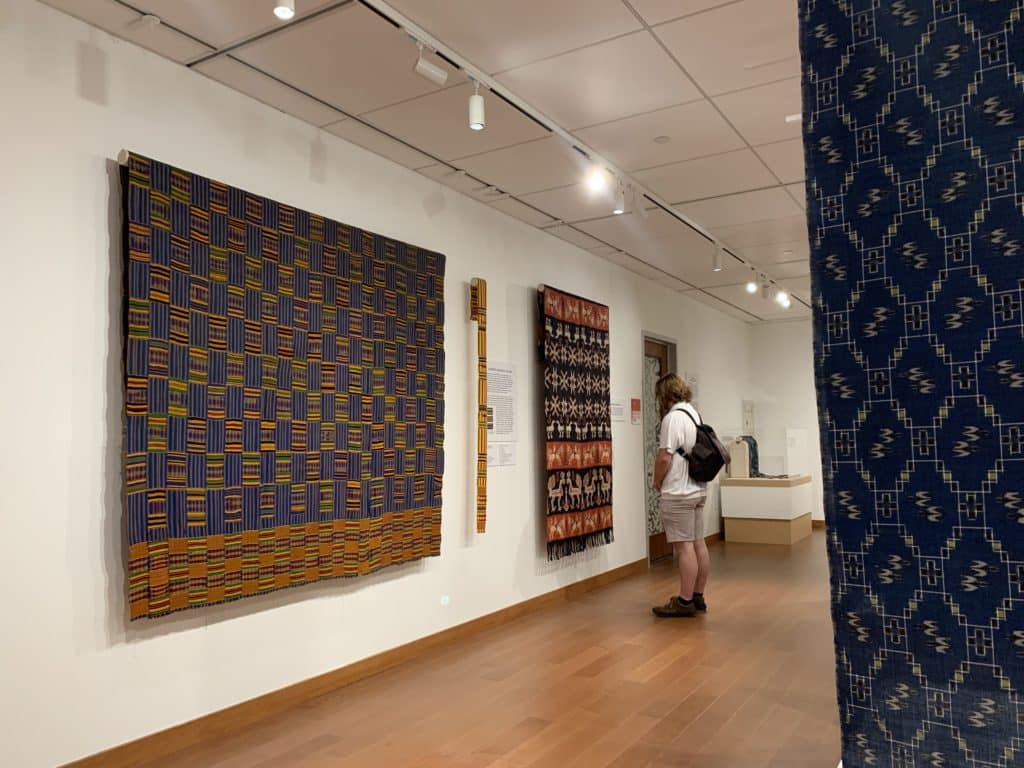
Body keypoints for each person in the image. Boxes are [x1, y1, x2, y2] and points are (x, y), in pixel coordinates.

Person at [651, 373, 710, 618]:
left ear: (665, 395)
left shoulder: (672, 418)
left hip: (678, 491)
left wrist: (656, 480)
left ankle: (684, 602)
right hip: (697, 488)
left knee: (684, 547)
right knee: (698, 543)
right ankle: (697, 596)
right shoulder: (693, 413)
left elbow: (665, 456)